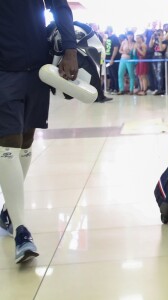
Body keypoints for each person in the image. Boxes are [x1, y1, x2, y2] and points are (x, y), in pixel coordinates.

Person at [0, 0, 78, 263]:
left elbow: (60, 8)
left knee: (25, 139)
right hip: (3, 70)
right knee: (7, 140)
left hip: (37, 67)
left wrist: (70, 49)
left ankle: (8, 211)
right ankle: (21, 230)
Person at [117, 31, 136, 95]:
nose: (130, 36)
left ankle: (131, 90)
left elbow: (135, 53)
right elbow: (120, 50)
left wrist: (130, 52)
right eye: (128, 35)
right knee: (120, 74)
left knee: (131, 75)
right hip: (123, 59)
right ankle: (121, 89)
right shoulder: (124, 42)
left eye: (131, 35)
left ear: (133, 36)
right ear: (127, 36)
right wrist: (124, 52)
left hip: (130, 60)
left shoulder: (134, 43)